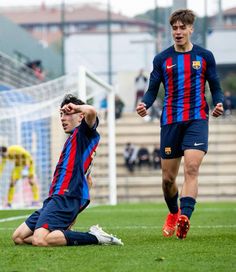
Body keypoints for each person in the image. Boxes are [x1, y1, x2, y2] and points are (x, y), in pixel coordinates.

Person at [136, 9, 224, 239]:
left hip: (197, 119)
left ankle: (185, 217)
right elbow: (153, 90)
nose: (178, 31)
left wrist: (220, 103)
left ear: (191, 29)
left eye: (182, 27)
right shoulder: (162, 59)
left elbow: (214, 85)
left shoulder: (205, 56)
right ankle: (174, 212)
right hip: (170, 122)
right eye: (174, 28)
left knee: (192, 169)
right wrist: (144, 104)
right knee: (167, 180)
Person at [12, 94, 123, 247]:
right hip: (56, 197)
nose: (63, 118)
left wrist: (76, 107)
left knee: (39, 240)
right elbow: (88, 180)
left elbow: (91, 111)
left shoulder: (84, 133)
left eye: (68, 113)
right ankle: (61, 235)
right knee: (18, 237)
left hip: (66, 196)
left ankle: (94, 237)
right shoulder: (74, 141)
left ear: (80, 117)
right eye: (61, 114)